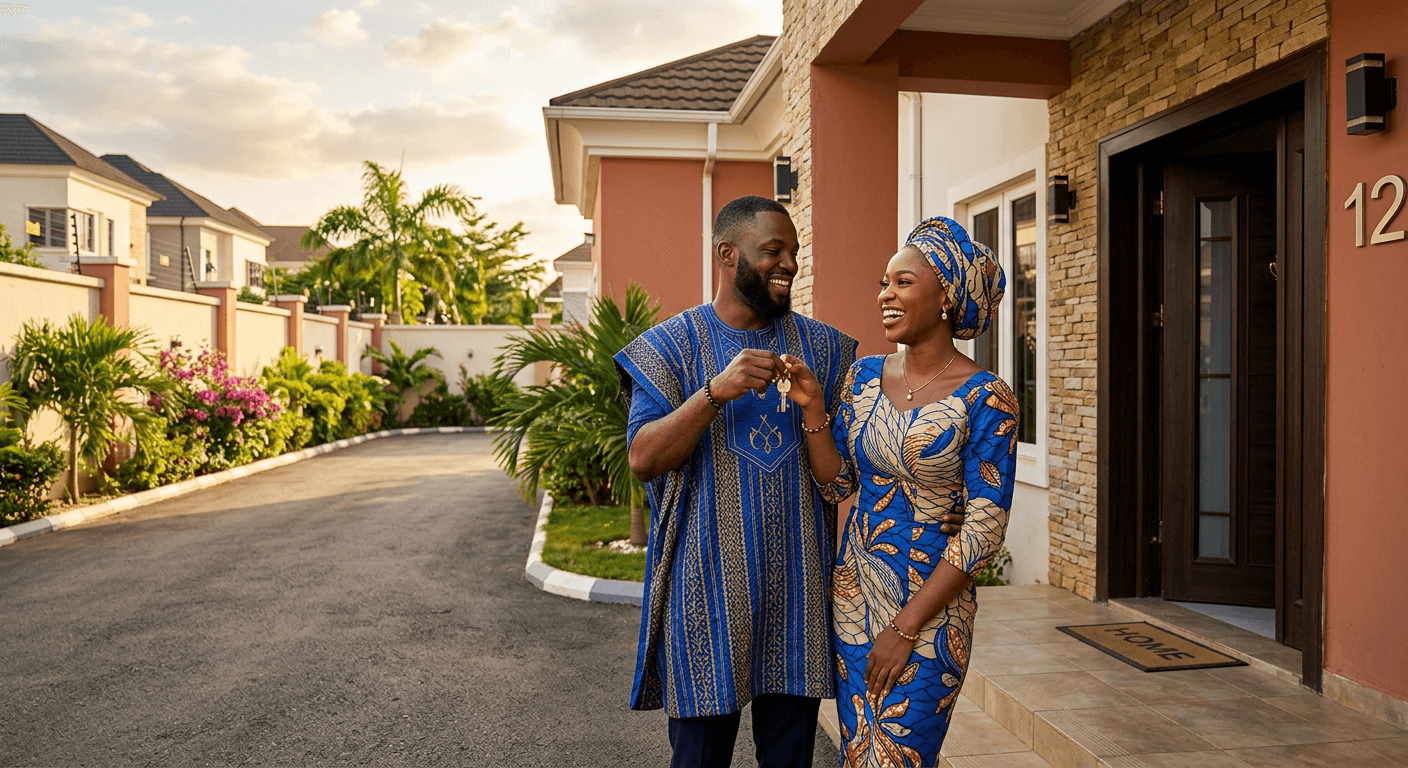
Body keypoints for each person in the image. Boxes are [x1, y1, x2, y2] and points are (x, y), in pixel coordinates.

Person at [614, 197, 965, 768]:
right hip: (705, 604)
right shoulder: (667, 348)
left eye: (794, 253)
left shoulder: (827, 351)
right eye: (772, 251)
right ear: (728, 255)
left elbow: (859, 468)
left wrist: (943, 505)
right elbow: (643, 458)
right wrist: (713, 393)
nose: (789, 265)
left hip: (797, 606)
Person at [782, 215, 1018, 767]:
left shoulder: (988, 397)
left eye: (902, 282)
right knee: (859, 753)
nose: (885, 294)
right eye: (884, 283)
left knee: (900, 757)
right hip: (853, 598)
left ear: (945, 297)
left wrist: (905, 626)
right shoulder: (863, 378)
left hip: (929, 610)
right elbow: (838, 481)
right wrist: (815, 409)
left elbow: (984, 531)